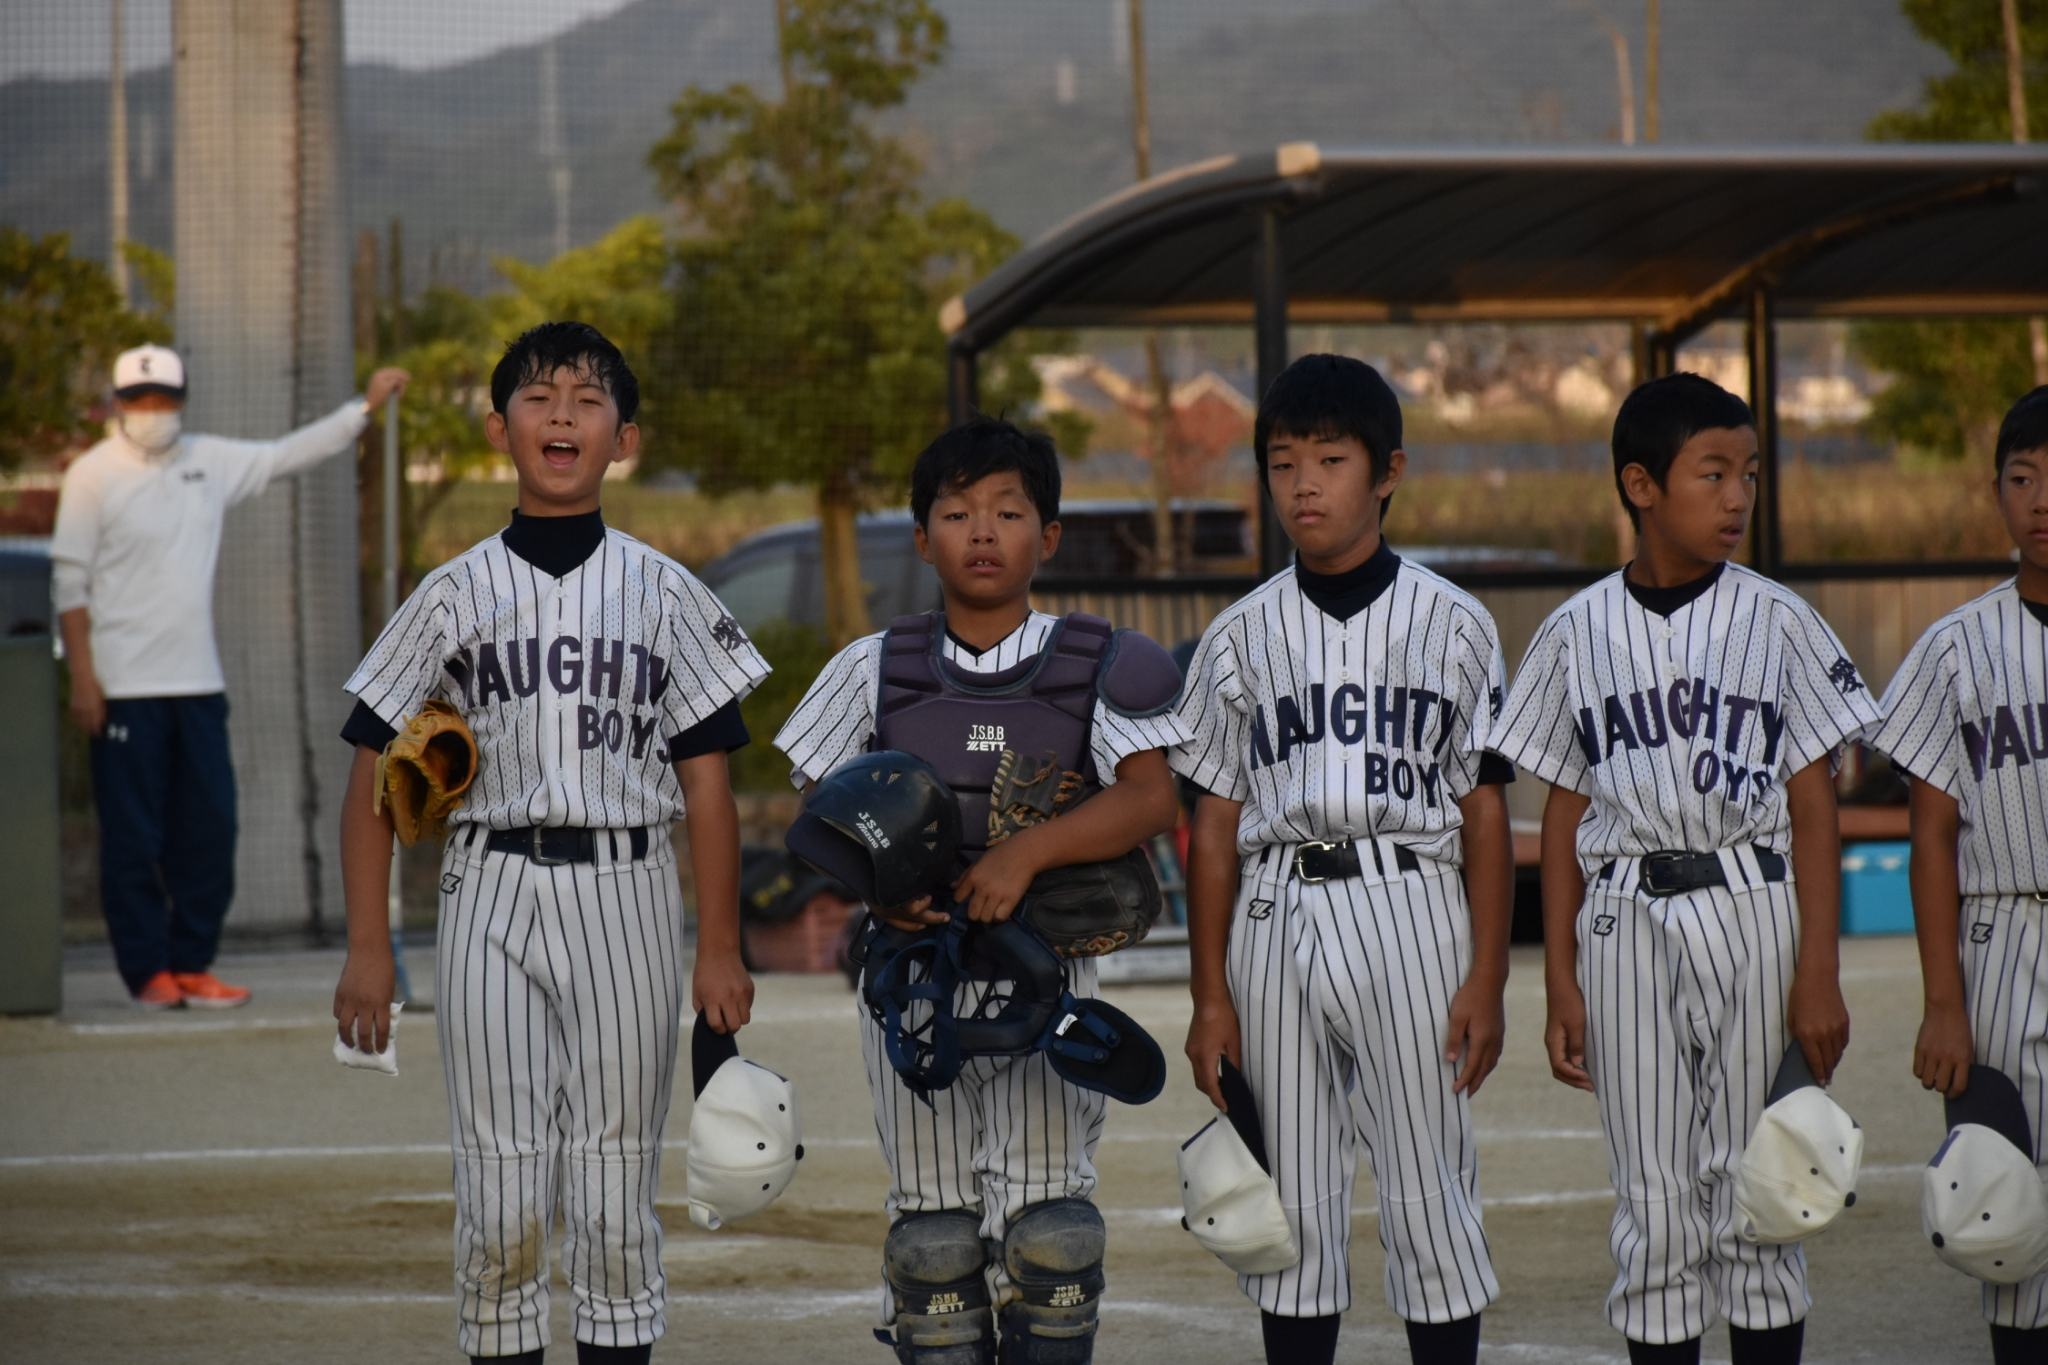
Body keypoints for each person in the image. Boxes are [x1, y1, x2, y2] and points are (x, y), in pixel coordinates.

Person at [330, 321, 767, 1364]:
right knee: (498, 1173)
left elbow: (710, 787)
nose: (561, 411)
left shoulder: (664, 592)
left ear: (625, 437)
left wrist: (719, 944)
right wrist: (367, 946)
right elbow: (369, 778)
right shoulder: (449, 595)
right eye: (536, 395)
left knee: (615, 1173)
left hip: (626, 885)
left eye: (587, 395)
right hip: (486, 888)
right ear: (499, 429)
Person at [772, 415, 1186, 1364]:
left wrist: (1025, 852)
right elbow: (817, 812)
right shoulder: (873, 665)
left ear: (1049, 535)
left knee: (1052, 1229)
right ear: (923, 537)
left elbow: (1150, 795)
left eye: (1008, 510)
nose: (984, 531)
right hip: (913, 976)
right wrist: (877, 890)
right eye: (957, 513)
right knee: (932, 1237)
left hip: (1047, 970)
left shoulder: (1095, 660)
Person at [1487, 372, 1882, 1365]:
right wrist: (1562, 985)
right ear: (1640, 485)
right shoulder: (1577, 630)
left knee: (1760, 1187)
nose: (1737, 495)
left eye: (1747, 472)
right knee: (1653, 1206)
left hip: (1751, 899)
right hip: (1622, 913)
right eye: (1711, 472)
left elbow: (1811, 803)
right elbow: (1565, 812)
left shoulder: (1777, 617)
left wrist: (1819, 972)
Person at [1172, 353, 1511, 1365]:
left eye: (1330, 458)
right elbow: (1214, 828)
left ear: (1387, 471)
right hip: (1273, 911)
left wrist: (1487, 975)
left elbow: (1483, 811)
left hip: (1406, 899)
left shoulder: (1451, 621)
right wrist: (1208, 996)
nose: (1304, 484)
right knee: (1290, 1203)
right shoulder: (1237, 636)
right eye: (1282, 463)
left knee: (1425, 1191)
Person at [51, 342, 408, 1009]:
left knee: (213, 827)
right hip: (124, 687)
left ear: (182, 400)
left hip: (198, 683)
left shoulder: (207, 462)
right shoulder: (93, 476)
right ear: (119, 405)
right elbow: (69, 583)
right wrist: (83, 679)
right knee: (134, 836)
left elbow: (285, 455)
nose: (153, 412)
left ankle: (191, 962)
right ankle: (147, 972)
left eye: (164, 400)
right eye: (140, 401)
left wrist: (363, 407)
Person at [1867, 385, 2048, 1365]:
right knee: (2002, 1214)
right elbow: (1927, 834)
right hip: (2001, 934)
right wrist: (1942, 1002)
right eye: (2020, 480)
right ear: (1994, 496)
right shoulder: (1952, 647)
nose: (2039, 502)